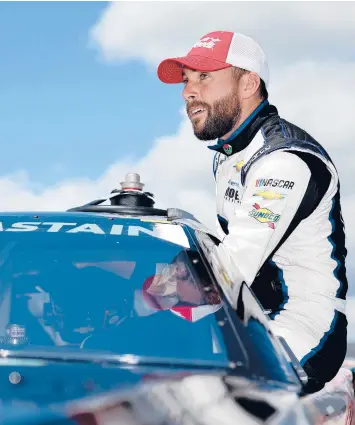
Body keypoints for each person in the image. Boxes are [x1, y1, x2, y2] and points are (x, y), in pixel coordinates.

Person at [157, 30, 348, 393]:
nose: (188, 92)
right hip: (251, 317)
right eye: (186, 80)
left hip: (305, 331)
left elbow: (226, 270)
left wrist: (145, 293)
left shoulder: (284, 160)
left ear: (248, 83)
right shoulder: (230, 156)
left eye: (204, 77)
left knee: (189, 394)